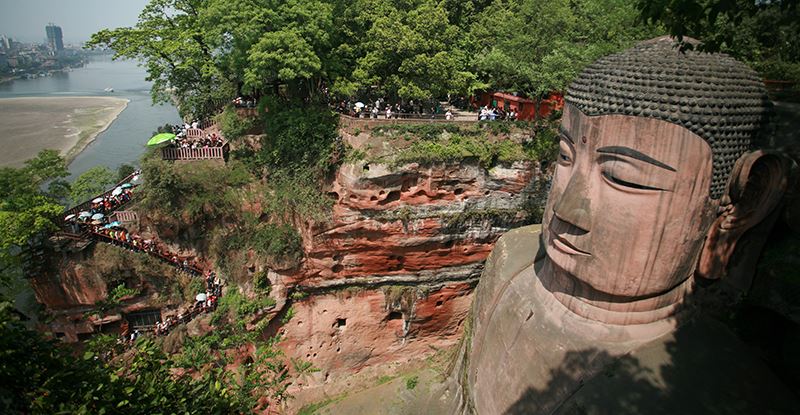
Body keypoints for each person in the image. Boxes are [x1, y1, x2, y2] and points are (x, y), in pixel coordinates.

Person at [441, 37, 797, 414]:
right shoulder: (512, 258)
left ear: (741, 206)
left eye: (625, 179)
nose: (566, 210)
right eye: (564, 157)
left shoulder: (717, 389)